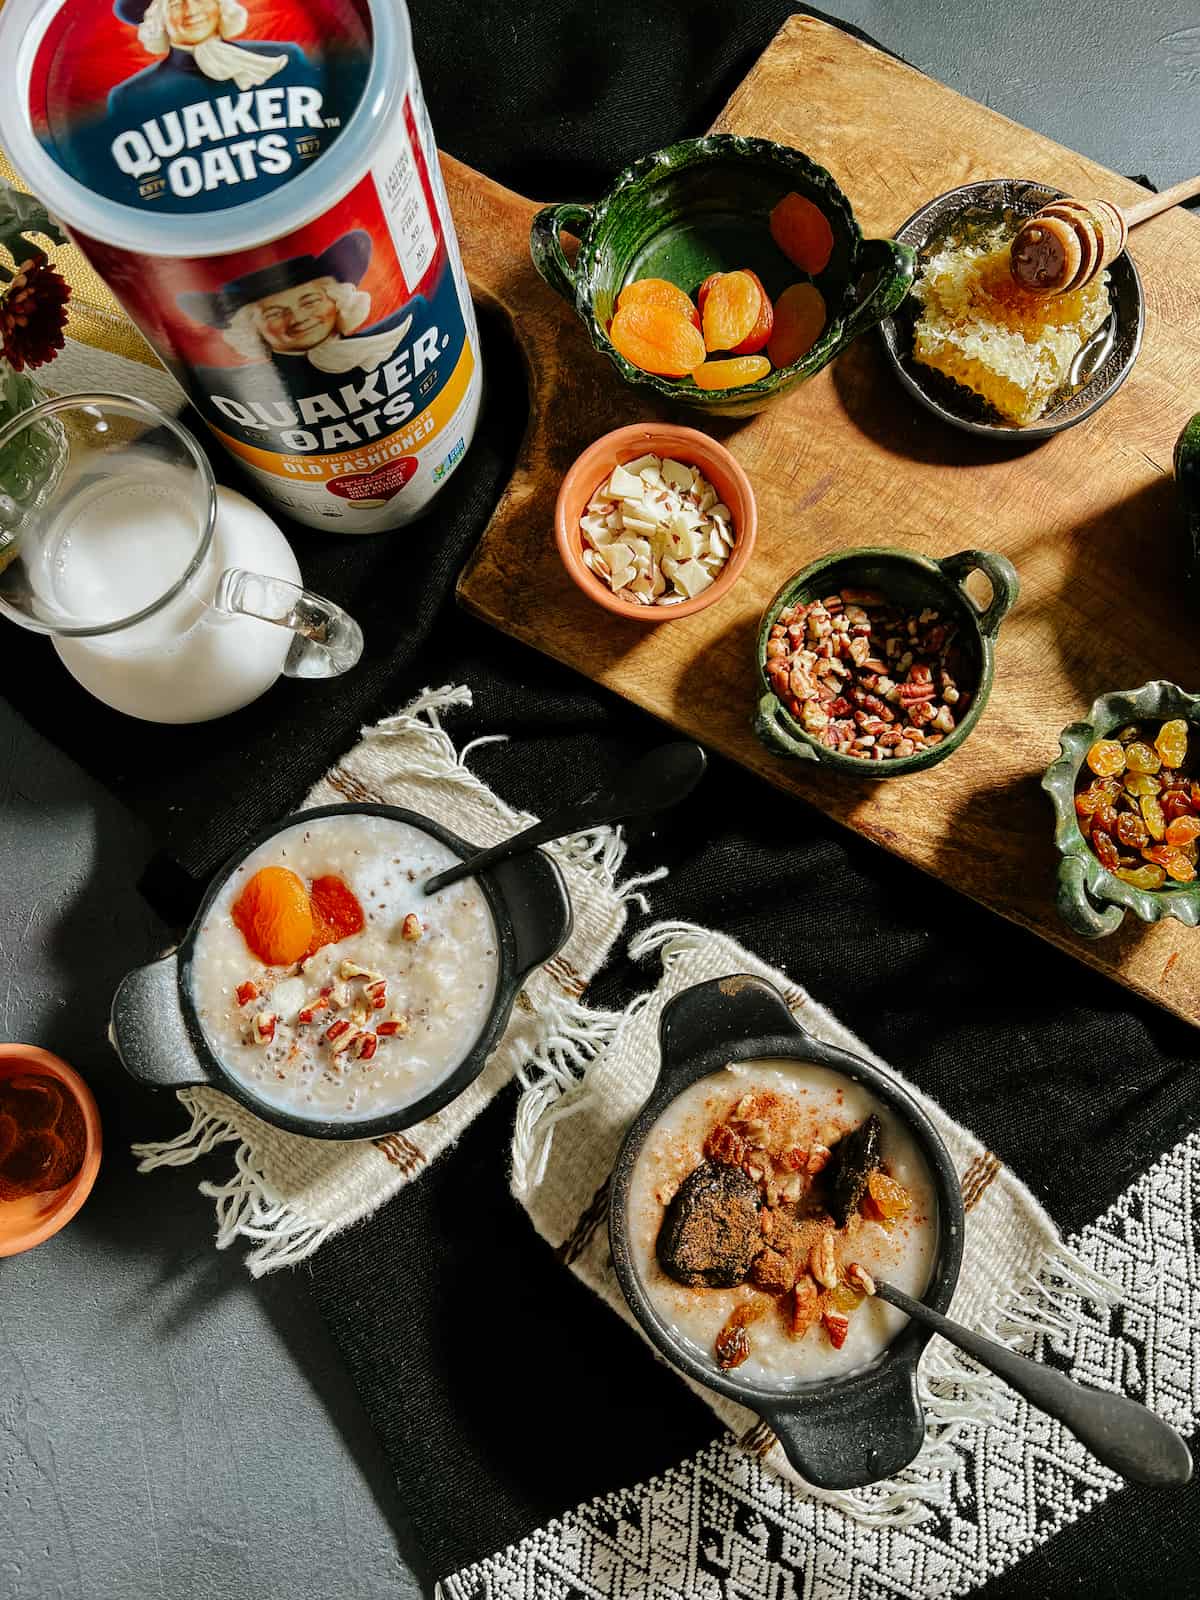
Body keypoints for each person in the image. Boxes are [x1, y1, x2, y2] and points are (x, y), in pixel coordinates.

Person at [108, 0, 311, 113]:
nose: (192, 11)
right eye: (175, 4)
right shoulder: (133, 97)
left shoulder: (283, 58)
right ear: (158, 21)